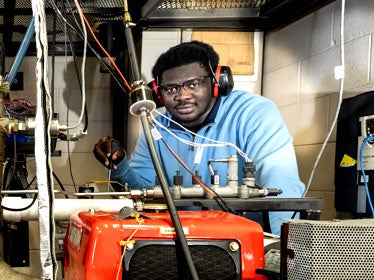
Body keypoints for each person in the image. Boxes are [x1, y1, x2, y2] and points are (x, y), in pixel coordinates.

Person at [93, 40, 305, 235]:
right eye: (171, 88)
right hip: (183, 242)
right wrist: (119, 165)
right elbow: (142, 190)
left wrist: (283, 250)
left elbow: (281, 182)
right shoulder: (156, 127)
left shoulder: (253, 113)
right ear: (158, 93)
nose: (182, 96)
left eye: (193, 84)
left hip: (245, 243)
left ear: (217, 81)